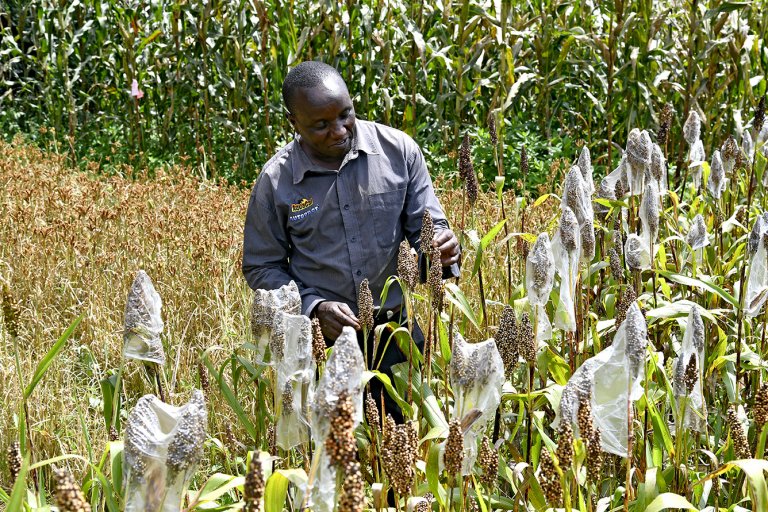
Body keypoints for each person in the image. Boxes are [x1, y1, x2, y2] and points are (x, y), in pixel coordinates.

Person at [242, 61, 460, 422]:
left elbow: (429, 226)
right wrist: (313, 308)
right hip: (321, 344)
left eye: (346, 115)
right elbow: (261, 267)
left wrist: (439, 249)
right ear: (293, 123)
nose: (339, 130)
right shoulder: (276, 181)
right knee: (331, 462)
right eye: (321, 125)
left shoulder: (399, 151)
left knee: (404, 452)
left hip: (396, 336)